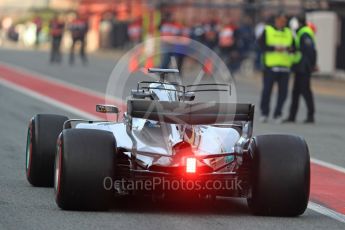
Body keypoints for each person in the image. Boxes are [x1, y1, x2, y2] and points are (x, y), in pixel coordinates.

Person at [258, 12, 295, 123]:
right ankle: (264, 113)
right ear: (276, 20)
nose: (283, 23)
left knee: (283, 93)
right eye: (281, 21)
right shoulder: (268, 30)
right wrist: (274, 48)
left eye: (285, 21)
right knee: (267, 91)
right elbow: (261, 45)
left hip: (285, 67)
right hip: (270, 67)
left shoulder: (289, 32)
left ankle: (278, 114)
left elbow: (295, 47)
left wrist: (289, 49)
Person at [284, 15, 317, 123]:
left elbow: (309, 50)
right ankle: (292, 116)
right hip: (299, 66)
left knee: (305, 91)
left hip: (304, 67)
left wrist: (312, 65)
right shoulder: (301, 33)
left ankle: (310, 115)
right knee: (296, 92)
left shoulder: (304, 33)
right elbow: (302, 48)